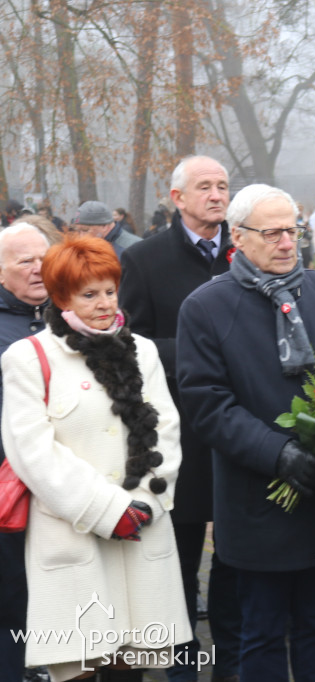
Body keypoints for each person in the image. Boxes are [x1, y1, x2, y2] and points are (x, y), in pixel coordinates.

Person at [176, 184, 315, 681]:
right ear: (238, 239)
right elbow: (208, 405)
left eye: (293, 230)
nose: (288, 242)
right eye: (274, 233)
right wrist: (278, 453)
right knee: (259, 633)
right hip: (260, 499)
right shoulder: (206, 307)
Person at [0, 235, 191, 682]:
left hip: (142, 531)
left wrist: (146, 499)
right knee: (81, 665)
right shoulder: (28, 358)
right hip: (73, 533)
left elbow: (166, 428)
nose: (104, 303)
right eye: (89, 294)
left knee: (131, 667)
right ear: (61, 296)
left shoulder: (142, 350)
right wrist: (108, 510)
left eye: (110, 290)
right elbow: (32, 451)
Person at [119, 155, 241, 682]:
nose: (217, 195)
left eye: (223, 186)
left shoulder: (246, 252)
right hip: (180, 429)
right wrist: (203, 351)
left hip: (240, 426)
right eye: (205, 187)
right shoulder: (145, 259)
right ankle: (183, 663)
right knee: (182, 555)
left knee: (236, 553)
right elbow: (130, 342)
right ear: (178, 198)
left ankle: (231, 663)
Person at [0, 224, 50, 682]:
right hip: (9, 492)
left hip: (64, 491)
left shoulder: (74, 314)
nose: (38, 269)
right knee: (13, 600)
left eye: (43, 258)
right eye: (24, 262)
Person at [70, 200, 141, 258]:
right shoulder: (90, 246)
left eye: (85, 230)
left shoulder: (133, 249)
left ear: (104, 226)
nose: (81, 237)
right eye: (78, 230)